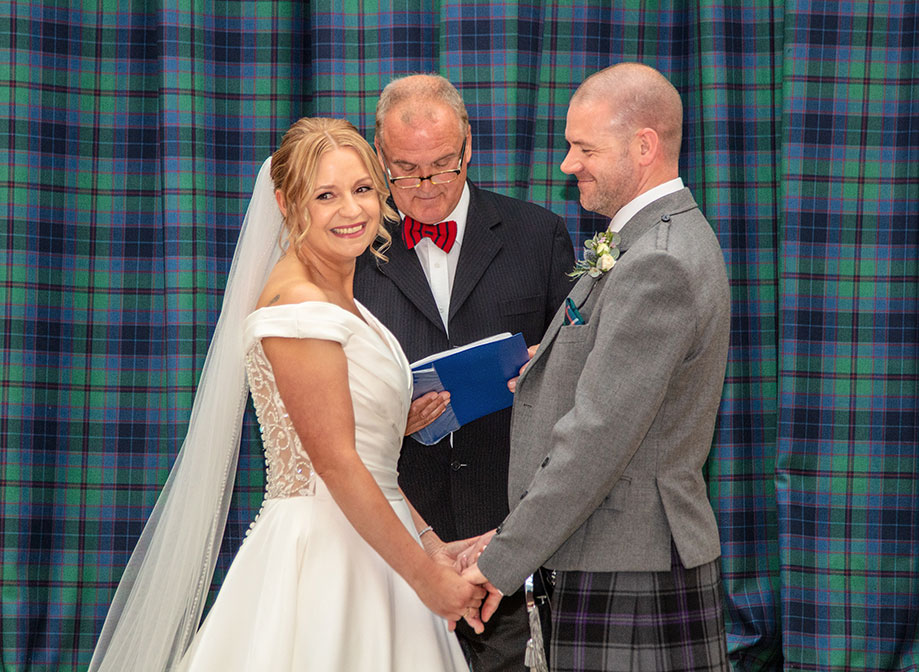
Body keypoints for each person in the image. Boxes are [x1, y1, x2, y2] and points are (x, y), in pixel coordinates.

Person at [89, 117, 486, 672]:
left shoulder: (340, 302)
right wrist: (429, 584)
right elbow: (336, 464)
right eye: (326, 195)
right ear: (287, 201)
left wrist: (427, 542)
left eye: (363, 188)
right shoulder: (299, 309)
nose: (352, 211)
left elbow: (370, 464)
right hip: (326, 558)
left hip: (381, 547)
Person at [463, 62, 732, 671]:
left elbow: (598, 438)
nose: (567, 164)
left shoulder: (655, 262)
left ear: (644, 146)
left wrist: (501, 562)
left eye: (585, 148)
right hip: (609, 555)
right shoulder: (646, 243)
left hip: (629, 566)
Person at [353, 74, 575, 671]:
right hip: (396, 532)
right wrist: (387, 420)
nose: (424, 186)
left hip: (502, 533)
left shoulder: (538, 235)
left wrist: (540, 377)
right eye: (404, 169)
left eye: (441, 166)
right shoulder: (350, 251)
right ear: (379, 155)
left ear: (468, 147)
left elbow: (582, 388)